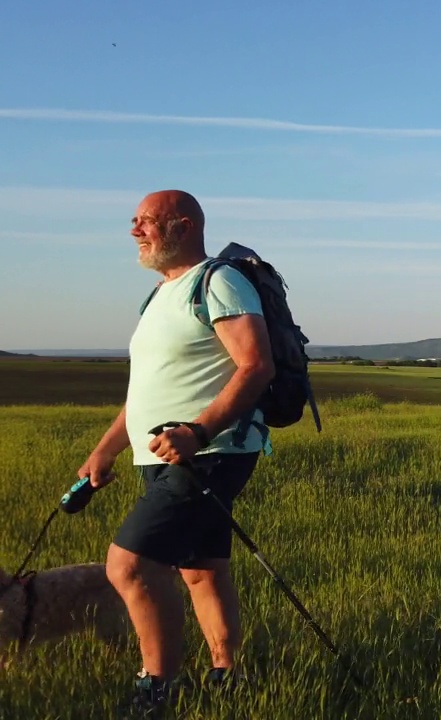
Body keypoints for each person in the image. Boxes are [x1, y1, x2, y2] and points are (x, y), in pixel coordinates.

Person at [76, 190, 274, 710]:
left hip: (209, 453)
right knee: (201, 568)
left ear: (183, 227)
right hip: (164, 455)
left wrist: (200, 432)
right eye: (134, 221)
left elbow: (256, 365)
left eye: (147, 221)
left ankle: (155, 688)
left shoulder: (219, 282)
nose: (135, 230)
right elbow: (146, 392)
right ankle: (227, 678)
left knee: (130, 565)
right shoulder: (161, 294)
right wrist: (106, 450)